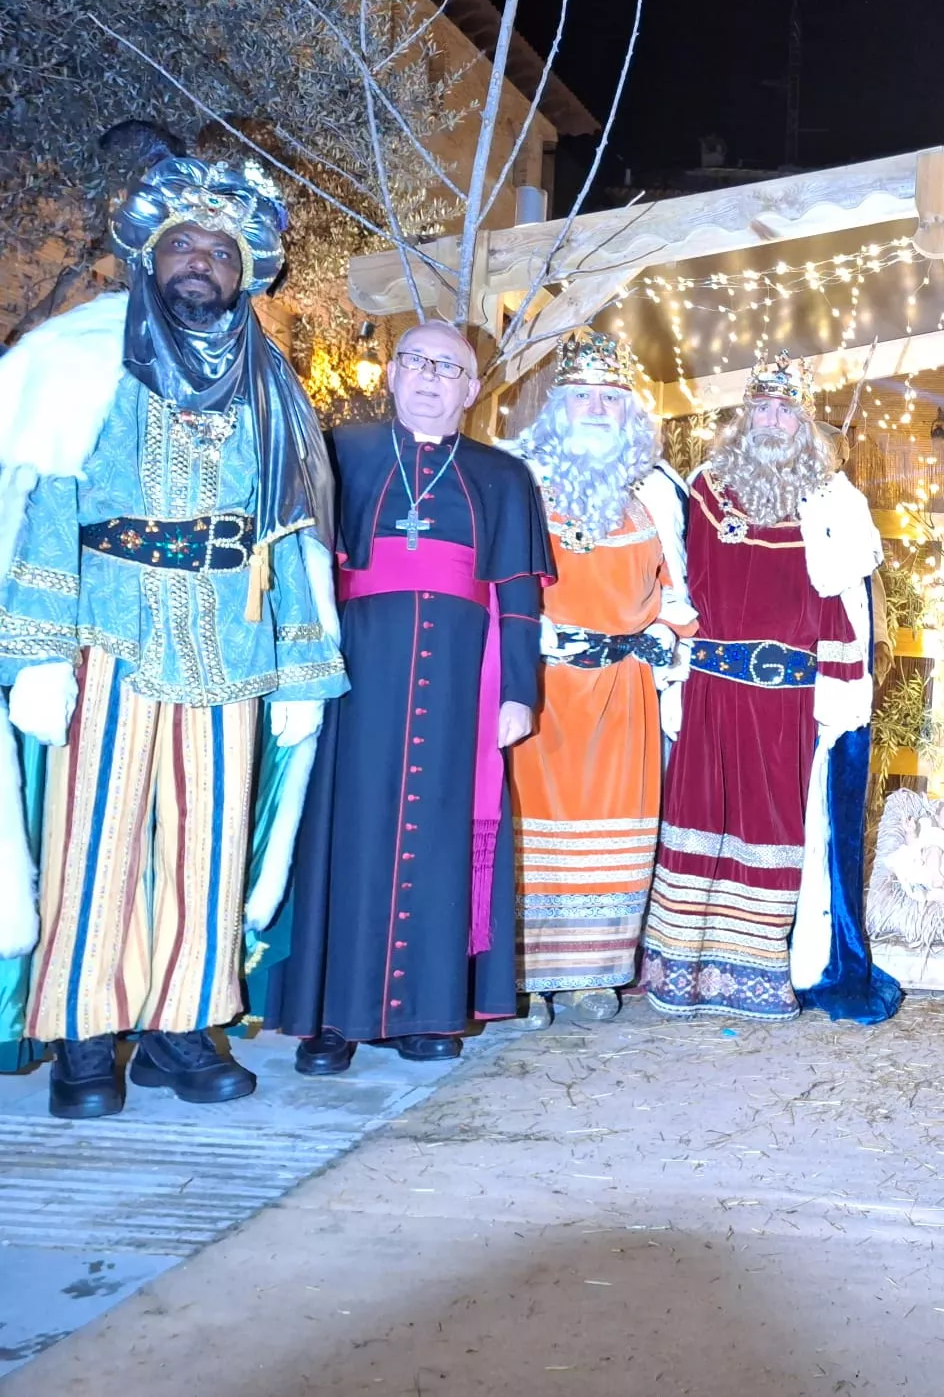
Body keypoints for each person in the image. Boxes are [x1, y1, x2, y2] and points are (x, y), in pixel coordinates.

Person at [0, 152, 344, 1117]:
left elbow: (290, 531)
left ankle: (181, 1027)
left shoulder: (271, 382)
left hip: (229, 648)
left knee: (208, 842)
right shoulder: (87, 356)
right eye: (181, 245)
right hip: (107, 633)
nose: (200, 261)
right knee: (95, 838)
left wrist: (304, 672)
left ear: (248, 271)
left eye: (219, 251)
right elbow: (49, 502)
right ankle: (80, 1038)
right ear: (149, 259)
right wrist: (33, 657)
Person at [271, 321, 553, 1073]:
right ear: (392, 375)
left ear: (471, 390)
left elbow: (520, 596)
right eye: (417, 363)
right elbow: (299, 564)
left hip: (463, 682)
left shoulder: (503, 476)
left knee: (442, 836)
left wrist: (517, 694)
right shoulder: (341, 452)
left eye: (450, 368)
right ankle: (332, 1018)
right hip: (357, 674)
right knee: (346, 832)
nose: (431, 378)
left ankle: (428, 1012)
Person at [644, 354, 900, 1024]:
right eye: (763, 407)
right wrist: (674, 671)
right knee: (701, 819)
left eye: (787, 409)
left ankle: (760, 975)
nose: (775, 420)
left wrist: (843, 690)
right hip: (712, 691)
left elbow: (849, 606)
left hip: (788, 699)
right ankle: (684, 972)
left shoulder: (832, 502)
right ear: (744, 416)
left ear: (804, 420)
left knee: (776, 829)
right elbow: (675, 582)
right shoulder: (702, 489)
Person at [505, 331, 689, 1024]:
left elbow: (679, 594)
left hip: (625, 692)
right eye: (579, 398)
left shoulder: (655, 494)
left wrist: (663, 637)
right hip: (545, 688)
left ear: (629, 414)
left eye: (608, 400)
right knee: (533, 831)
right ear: (557, 408)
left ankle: (595, 975)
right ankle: (522, 977)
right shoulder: (517, 478)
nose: (593, 410)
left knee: (617, 830)